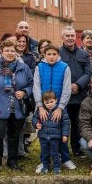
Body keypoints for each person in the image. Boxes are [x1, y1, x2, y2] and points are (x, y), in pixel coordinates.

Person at [0, 39, 33, 171]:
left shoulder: (24, 68)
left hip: (17, 109)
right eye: (7, 50)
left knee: (14, 135)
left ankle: (12, 160)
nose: (10, 53)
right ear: (1, 52)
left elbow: (31, 84)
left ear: (16, 52)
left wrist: (24, 92)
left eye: (12, 51)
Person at [33, 44, 73, 172]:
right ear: (44, 55)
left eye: (54, 54)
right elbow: (36, 87)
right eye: (49, 54)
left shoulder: (64, 67)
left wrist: (60, 107)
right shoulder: (40, 67)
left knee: (61, 133)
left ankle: (65, 159)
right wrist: (40, 106)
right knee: (45, 134)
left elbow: (67, 89)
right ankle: (44, 162)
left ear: (58, 55)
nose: (51, 57)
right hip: (43, 107)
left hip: (59, 106)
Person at [59, 26, 92, 159]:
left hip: (80, 95)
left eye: (72, 35)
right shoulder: (57, 53)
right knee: (62, 124)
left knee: (77, 124)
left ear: (76, 37)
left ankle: (77, 150)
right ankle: (62, 151)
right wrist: (67, 86)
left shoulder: (84, 54)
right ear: (62, 38)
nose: (70, 38)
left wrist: (78, 85)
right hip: (62, 96)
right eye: (67, 36)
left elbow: (88, 72)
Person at [32, 91, 70, 175]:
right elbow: (34, 118)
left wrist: (65, 135)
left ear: (56, 100)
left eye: (52, 102)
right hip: (43, 136)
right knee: (44, 153)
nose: (49, 104)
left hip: (55, 137)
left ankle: (57, 167)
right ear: (43, 102)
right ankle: (45, 166)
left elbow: (65, 124)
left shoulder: (61, 111)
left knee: (55, 152)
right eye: (47, 102)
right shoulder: (40, 111)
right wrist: (36, 124)